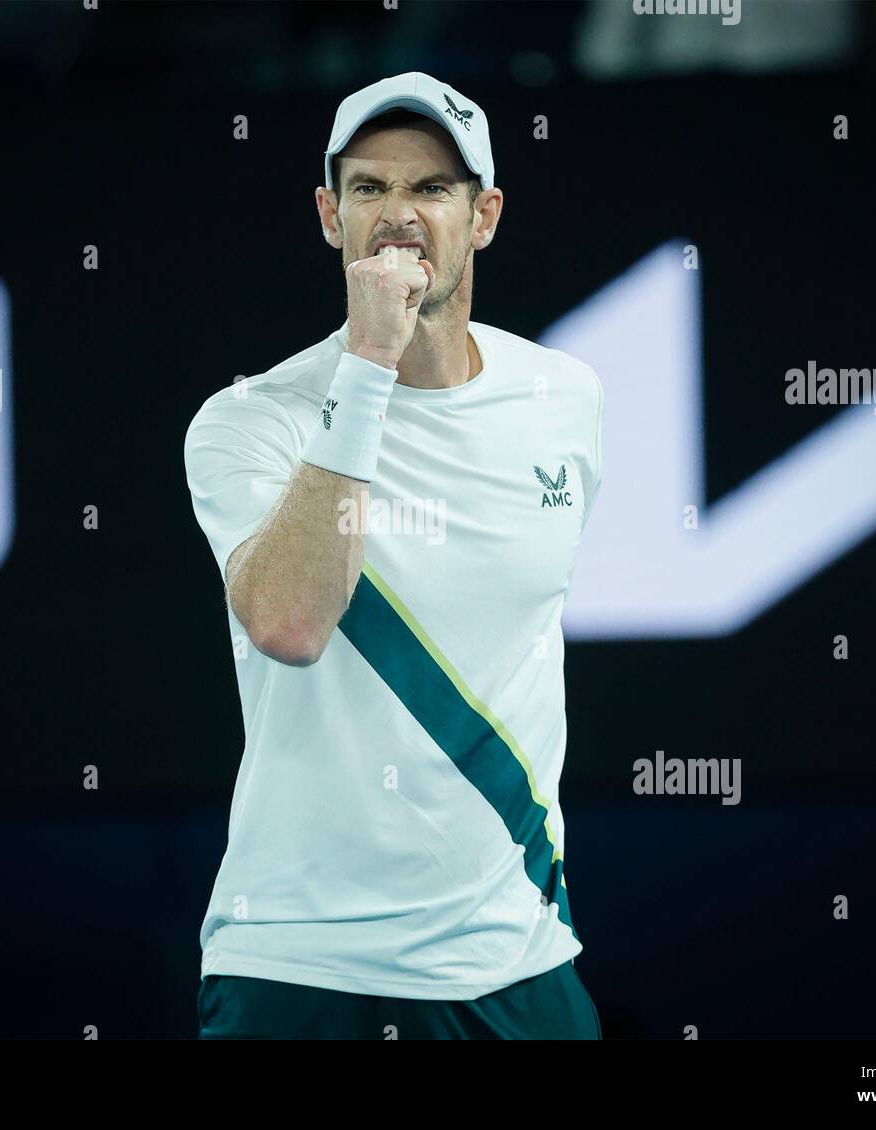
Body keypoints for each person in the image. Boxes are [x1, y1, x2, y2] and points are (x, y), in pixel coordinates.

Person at [184, 72, 603, 1039]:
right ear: (330, 217)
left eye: (431, 190)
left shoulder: (566, 398)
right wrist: (368, 363)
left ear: (485, 216)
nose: (398, 216)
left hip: (520, 960)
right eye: (369, 189)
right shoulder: (249, 421)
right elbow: (290, 624)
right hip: (302, 963)